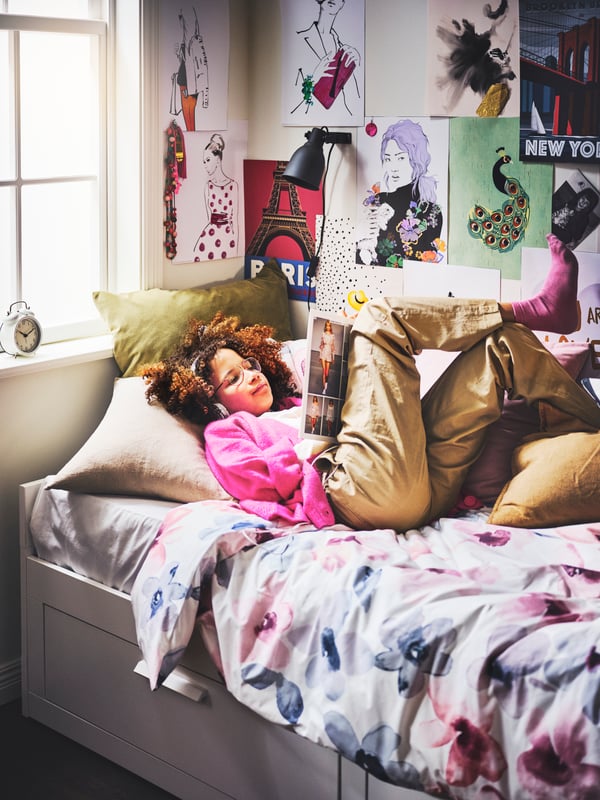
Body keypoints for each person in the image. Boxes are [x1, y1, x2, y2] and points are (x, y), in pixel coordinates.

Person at [143, 234, 600, 533]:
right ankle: (537, 307)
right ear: (214, 401)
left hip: (424, 485)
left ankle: (593, 424)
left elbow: (376, 425)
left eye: (248, 363)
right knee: (377, 317)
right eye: (233, 377)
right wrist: (308, 449)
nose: (252, 373)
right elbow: (256, 485)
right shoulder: (228, 433)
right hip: (363, 495)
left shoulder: (294, 396)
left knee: (501, 347)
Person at [357, 119, 444, 266]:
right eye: (388, 159)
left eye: (400, 158)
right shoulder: (377, 201)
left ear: (416, 159)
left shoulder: (431, 212)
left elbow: (427, 265)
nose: (393, 167)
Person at [193, 133, 238, 262]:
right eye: (203, 161)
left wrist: (235, 246)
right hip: (210, 237)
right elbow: (209, 217)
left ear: (218, 160)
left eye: (208, 160)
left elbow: (235, 219)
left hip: (227, 237)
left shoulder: (233, 186)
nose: (205, 165)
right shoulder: (208, 187)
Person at [319, 319, 336, 392]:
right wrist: (319, 355)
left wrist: (333, 357)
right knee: (324, 371)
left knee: (327, 372)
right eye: (327, 326)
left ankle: (326, 384)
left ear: (330, 326)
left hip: (329, 353)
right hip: (323, 353)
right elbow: (321, 345)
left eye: (329, 326)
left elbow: (333, 347)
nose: (328, 327)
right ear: (325, 326)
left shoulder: (332, 335)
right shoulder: (323, 334)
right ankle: (324, 389)